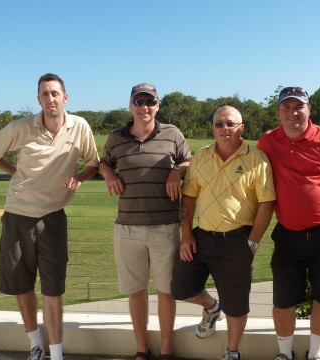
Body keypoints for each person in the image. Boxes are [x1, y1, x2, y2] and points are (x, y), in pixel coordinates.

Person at [0, 73, 100, 360]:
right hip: (18, 215)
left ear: (65, 97)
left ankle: (56, 354)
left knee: (53, 289)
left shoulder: (79, 126)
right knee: (22, 284)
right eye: (45, 94)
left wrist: (80, 176)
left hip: (53, 217)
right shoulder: (21, 127)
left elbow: (94, 162)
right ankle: (35, 344)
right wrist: (14, 172)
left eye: (55, 93)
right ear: (38, 99)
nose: (50, 99)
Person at [257, 87, 320, 360]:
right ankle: (284, 354)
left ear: (308, 109)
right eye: (286, 107)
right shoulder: (267, 142)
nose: (293, 113)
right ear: (279, 112)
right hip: (288, 235)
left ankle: (314, 354)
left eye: (298, 107)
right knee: (282, 300)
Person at [171, 106, 276, 360]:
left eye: (230, 124)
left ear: (241, 128)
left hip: (237, 240)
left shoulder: (256, 158)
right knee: (181, 288)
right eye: (219, 124)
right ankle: (212, 307)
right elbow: (188, 197)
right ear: (212, 128)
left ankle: (231, 352)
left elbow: (267, 202)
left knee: (237, 305)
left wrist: (252, 242)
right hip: (203, 237)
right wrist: (187, 235)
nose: (224, 128)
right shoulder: (201, 156)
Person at [99, 83, 192, 360]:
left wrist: (176, 171)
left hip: (165, 227)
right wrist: (108, 173)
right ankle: (142, 350)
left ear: (157, 106)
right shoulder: (117, 137)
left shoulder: (172, 134)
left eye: (149, 102)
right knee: (136, 292)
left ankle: (165, 351)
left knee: (166, 292)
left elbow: (189, 161)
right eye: (138, 102)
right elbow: (103, 161)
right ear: (130, 106)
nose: (144, 107)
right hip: (127, 228)